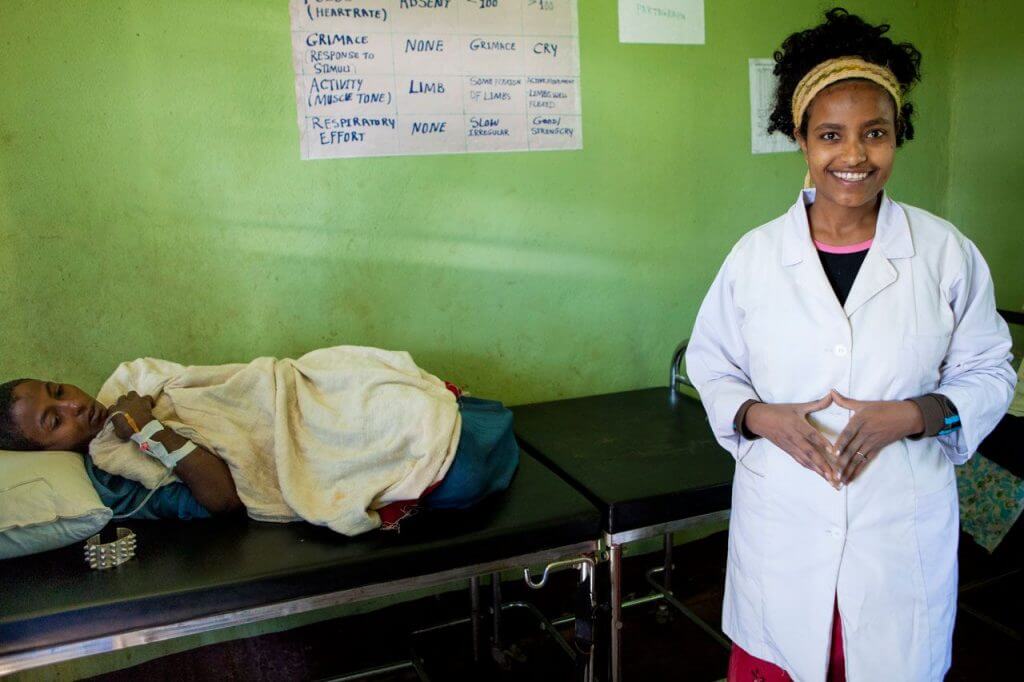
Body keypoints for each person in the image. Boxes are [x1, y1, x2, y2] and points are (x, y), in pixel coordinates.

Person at [685, 8, 1016, 681]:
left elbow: (991, 371)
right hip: (784, 532)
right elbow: (711, 362)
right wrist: (758, 416)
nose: (855, 156)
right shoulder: (755, 257)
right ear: (801, 139)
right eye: (831, 135)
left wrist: (918, 414)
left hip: (899, 533)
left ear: (898, 138)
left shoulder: (945, 254)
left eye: (876, 134)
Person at [0, 345, 519, 536]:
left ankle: (427, 415)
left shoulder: (127, 387)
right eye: (53, 421)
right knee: (463, 469)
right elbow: (222, 498)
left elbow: (232, 390)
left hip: (287, 397)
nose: (71, 404)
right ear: (48, 451)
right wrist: (147, 431)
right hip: (288, 450)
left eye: (57, 390)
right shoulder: (113, 474)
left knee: (367, 390)